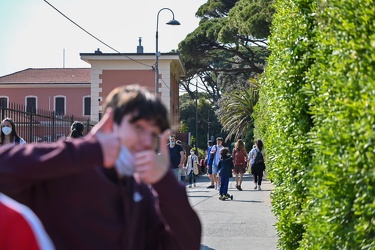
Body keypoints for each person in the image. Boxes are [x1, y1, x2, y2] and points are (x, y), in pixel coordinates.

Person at [0, 85, 202, 250]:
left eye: (154, 133)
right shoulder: (63, 169)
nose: (146, 141)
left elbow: (183, 245)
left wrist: (165, 182)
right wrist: (89, 149)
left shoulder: (140, 192)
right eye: (139, 127)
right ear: (111, 123)